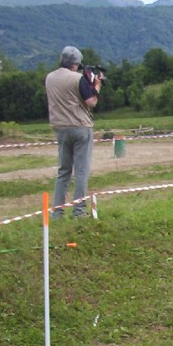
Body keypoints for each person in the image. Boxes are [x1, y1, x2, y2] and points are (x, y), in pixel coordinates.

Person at [44, 45, 102, 218]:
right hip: (80, 126)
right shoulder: (77, 79)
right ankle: (79, 210)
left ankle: (57, 212)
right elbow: (91, 102)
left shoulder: (49, 77)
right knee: (81, 171)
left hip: (60, 128)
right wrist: (97, 86)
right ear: (76, 63)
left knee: (63, 171)